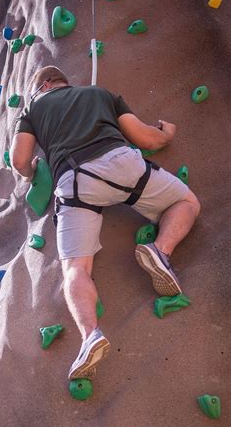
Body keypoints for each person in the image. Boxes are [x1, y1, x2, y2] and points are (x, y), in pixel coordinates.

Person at [10, 65, 200, 380]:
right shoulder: (100, 93)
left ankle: (90, 337)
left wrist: (32, 171)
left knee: (75, 269)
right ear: (61, 82)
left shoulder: (32, 107)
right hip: (120, 162)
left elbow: (19, 161)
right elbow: (146, 138)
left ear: (42, 85)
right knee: (186, 202)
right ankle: (161, 251)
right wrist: (166, 133)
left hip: (73, 182)